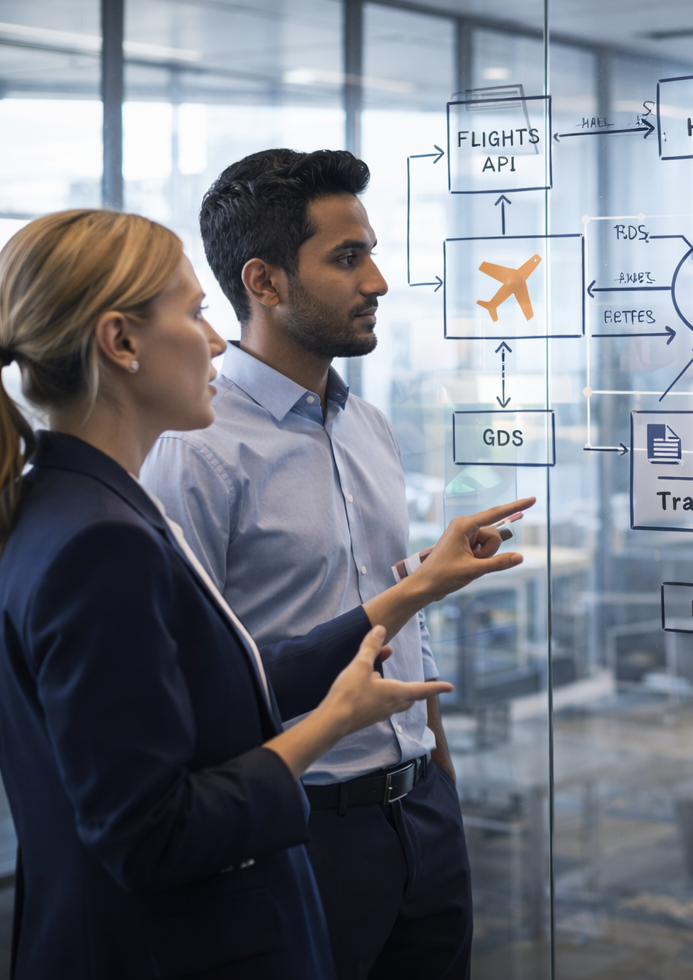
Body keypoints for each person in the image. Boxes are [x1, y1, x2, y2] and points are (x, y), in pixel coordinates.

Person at [0, 209, 476, 977]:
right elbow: (151, 831)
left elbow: (211, 690)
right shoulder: (103, 540)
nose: (219, 339)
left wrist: (409, 594)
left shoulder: (45, 504)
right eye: (194, 312)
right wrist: (329, 726)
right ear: (121, 342)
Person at [142, 149, 519, 980]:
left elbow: (399, 618)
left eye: (371, 252)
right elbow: (194, 685)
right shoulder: (194, 449)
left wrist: (438, 776)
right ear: (265, 283)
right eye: (348, 258)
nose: (377, 280)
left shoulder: (368, 424)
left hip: (420, 812)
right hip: (303, 826)